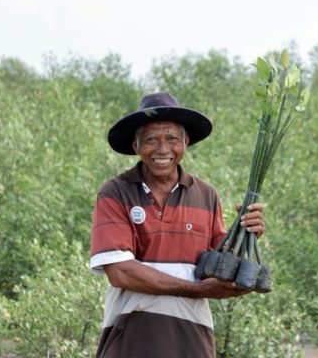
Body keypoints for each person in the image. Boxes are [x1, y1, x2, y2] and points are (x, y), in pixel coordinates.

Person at [90, 92, 265, 358]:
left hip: (192, 339)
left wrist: (247, 233)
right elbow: (121, 272)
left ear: (186, 143)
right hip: (131, 341)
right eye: (151, 139)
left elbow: (219, 269)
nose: (162, 149)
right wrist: (195, 290)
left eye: (172, 138)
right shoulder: (115, 192)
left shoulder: (206, 195)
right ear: (136, 146)